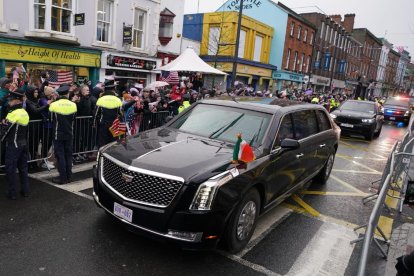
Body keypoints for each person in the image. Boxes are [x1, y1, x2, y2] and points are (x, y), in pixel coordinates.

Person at [1, 90, 30, 199]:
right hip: (23, 144)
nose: (9, 102)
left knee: (11, 169)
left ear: (16, 100)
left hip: (13, 145)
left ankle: (12, 192)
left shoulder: (13, 113)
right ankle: (25, 191)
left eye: (10, 100)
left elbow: (5, 131)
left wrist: (1, 140)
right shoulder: (24, 112)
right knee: (23, 168)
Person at [49, 84, 77, 184]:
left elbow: (51, 119)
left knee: (60, 156)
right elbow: (74, 119)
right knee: (68, 155)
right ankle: (69, 176)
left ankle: (63, 177)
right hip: (69, 133)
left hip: (58, 134)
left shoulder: (54, 105)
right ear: (67, 93)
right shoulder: (73, 105)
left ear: (58, 94)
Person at [93, 81, 122, 148]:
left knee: (103, 142)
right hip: (115, 124)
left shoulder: (101, 99)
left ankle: (102, 157)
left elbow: (96, 113)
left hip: (103, 124)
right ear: (113, 89)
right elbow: (120, 113)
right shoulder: (118, 99)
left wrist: (94, 123)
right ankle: (112, 156)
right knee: (114, 142)